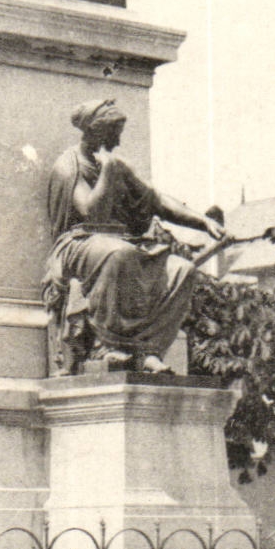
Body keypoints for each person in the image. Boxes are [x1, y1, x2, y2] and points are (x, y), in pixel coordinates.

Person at [42, 100, 226, 374]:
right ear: (97, 131)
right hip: (77, 243)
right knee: (120, 254)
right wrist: (108, 169)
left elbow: (156, 201)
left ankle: (148, 349)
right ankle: (107, 347)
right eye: (115, 131)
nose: (118, 139)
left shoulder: (117, 166)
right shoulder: (69, 166)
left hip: (118, 243)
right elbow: (90, 212)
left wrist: (203, 221)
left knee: (182, 270)